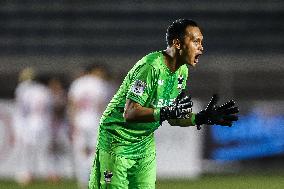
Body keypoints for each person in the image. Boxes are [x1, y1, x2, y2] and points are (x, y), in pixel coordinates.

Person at [88, 18, 239, 189]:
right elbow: (130, 113)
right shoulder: (151, 67)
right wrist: (164, 112)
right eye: (196, 41)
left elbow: (174, 117)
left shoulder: (182, 71)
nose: (201, 47)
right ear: (177, 43)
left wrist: (200, 118)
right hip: (117, 141)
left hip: (143, 143)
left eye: (201, 42)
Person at [68, 64, 111, 189]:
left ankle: (83, 182)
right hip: (95, 121)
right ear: (95, 71)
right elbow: (103, 106)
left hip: (80, 121)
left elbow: (72, 105)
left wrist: (72, 122)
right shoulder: (100, 84)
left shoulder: (77, 83)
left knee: (80, 152)